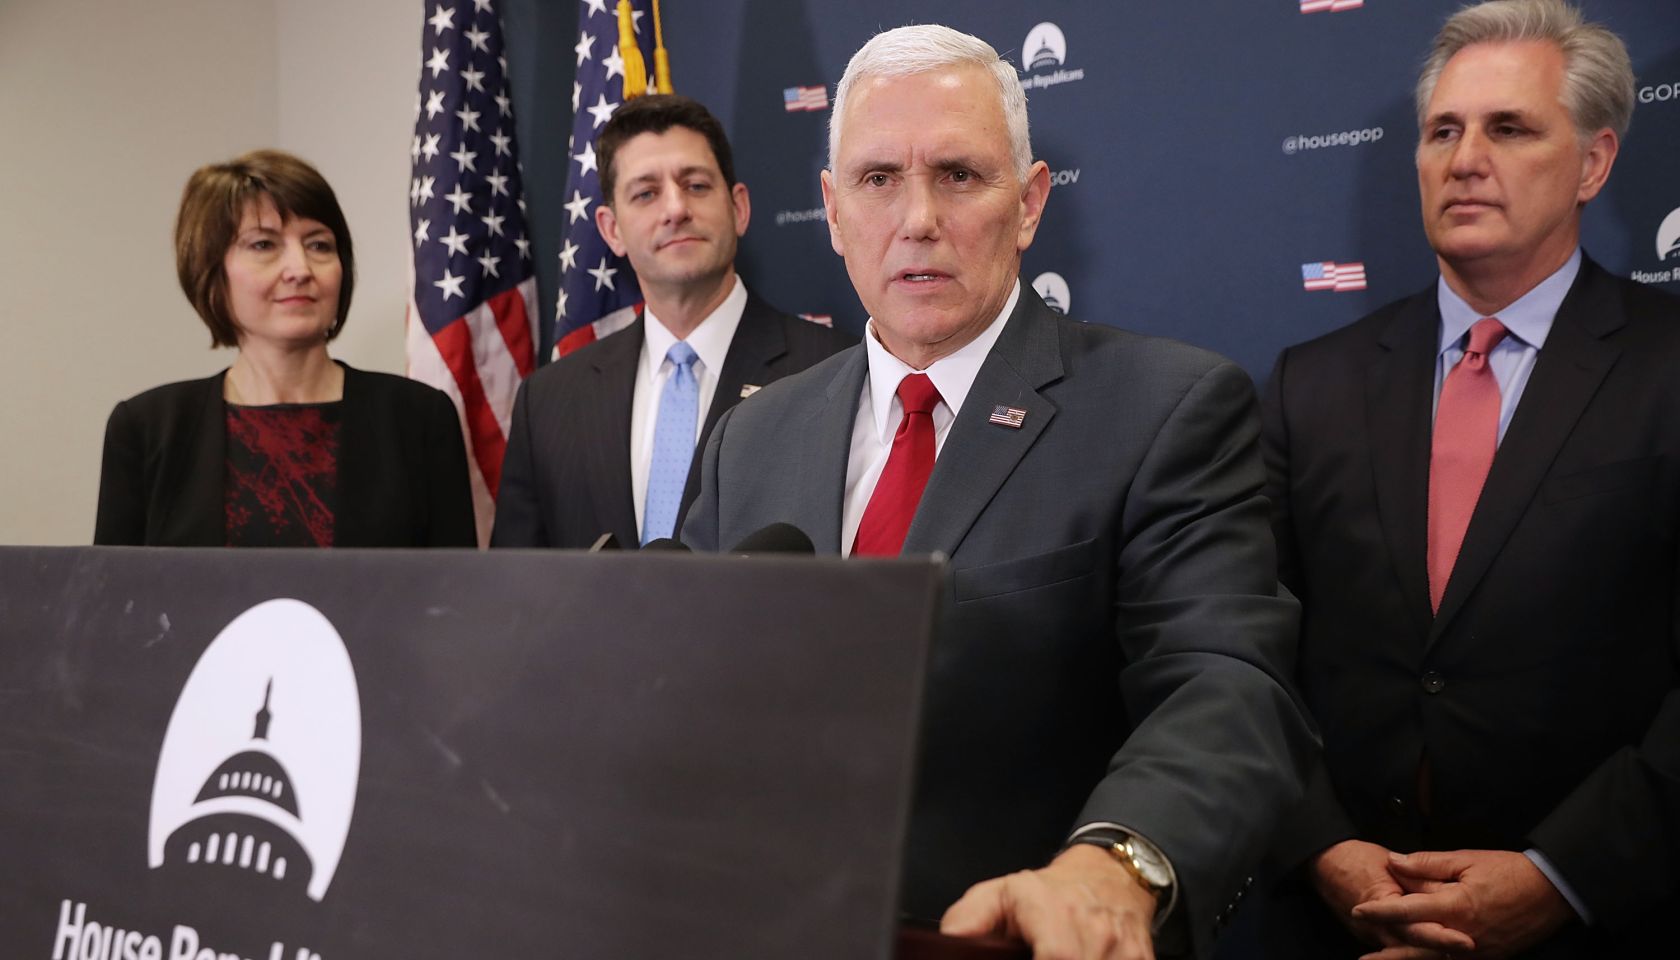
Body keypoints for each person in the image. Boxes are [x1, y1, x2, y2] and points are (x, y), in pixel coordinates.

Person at [684, 25, 1315, 960]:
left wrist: (1117, 863)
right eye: (877, 180)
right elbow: (687, 706)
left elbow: (1223, 683)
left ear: (1029, 204)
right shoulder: (750, 438)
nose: (917, 219)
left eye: (959, 175)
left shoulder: (1166, 408)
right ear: (830, 209)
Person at [1259, 2, 1680, 956]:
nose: (1465, 157)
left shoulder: (1667, 370)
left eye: (1510, 127)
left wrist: (1561, 877)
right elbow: (1248, 656)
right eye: (1442, 130)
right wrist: (1322, 845)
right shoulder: (1309, 384)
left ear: (1595, 163)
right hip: (1341, 924)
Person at [491, 95, 853, 549]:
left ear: (739, 208)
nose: (675, 209)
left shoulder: (835, 370)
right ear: (611, 230)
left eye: (696, 185)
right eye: (646, 193)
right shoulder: (547, 402)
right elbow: (518, 593)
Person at [94, 150, 476, 548]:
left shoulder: (419, 419)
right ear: (211, 273)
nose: (300, 269)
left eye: (319, 245)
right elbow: (114, 603)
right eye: (263, 244)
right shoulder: (146, 429)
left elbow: (456, 598)